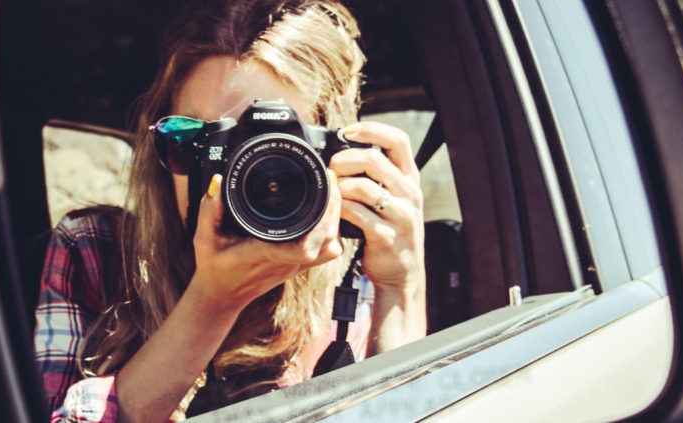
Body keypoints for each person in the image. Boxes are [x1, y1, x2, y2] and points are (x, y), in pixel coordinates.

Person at [34, 1, 427, 422]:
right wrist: (212, 301)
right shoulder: (97, 251)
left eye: (273, 145)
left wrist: (400, 283)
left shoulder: (352, 260)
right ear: (161, 149)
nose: (243, 175)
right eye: (196, 142)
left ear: (329, 156)